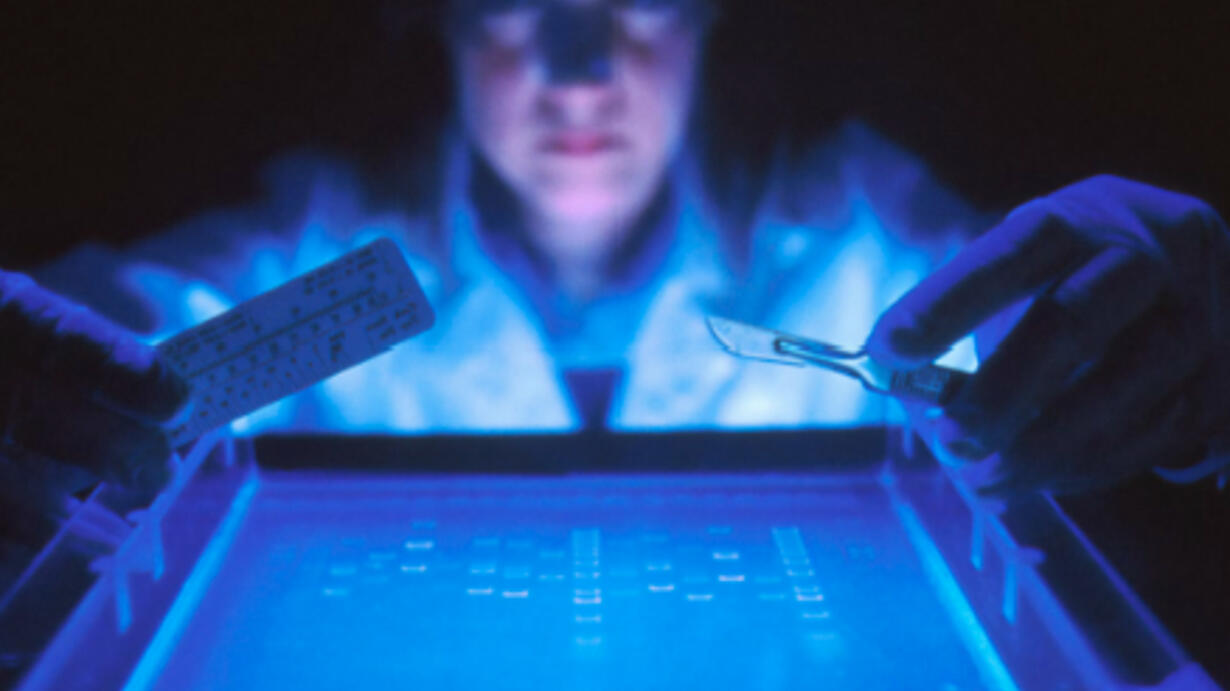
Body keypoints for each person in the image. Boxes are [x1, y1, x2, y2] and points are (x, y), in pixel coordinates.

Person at [2, 0, 1228, 551]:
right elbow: (108, 342)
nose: (581, 68)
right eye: (513, 3)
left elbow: (1088, 343)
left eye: (640, 1)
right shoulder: (296, 257)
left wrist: (1202, 380)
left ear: (713, 15)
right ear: (432, 15)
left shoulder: (872, 242)